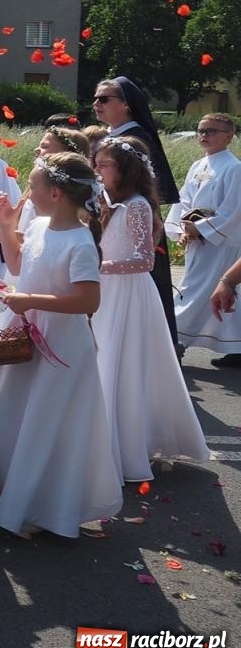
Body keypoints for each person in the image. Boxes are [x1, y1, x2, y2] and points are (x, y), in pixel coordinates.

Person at [0, 153, 122, 538]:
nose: (27, 193)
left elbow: (88, 302)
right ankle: (10, 483)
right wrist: (6, 226)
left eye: (33, 187)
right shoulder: (38, 227)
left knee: (48, 422)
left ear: (54, 192)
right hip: (27, 333)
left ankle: (41, 503)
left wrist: (31, 301)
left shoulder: (81, 243)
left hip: (62, 345)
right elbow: (18, 266)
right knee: (11, 410)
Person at [93, 136, 209, 478]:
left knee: (124, 361)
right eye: (96, 164)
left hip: (128, 292)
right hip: (106, 290)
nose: (97, 170)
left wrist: (97, 266)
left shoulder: (138, 206)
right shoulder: (104, 201)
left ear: (124, 169)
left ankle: (130, 440)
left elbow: (143, 259)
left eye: (103, 165)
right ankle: (101, 438)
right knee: (103, 359)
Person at [93, 77, 179, 350]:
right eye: (95, 98)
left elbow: (149, 187)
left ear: (126, 105)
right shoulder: (109, 137)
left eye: (104, 99)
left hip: (132, 226)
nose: (97, 103)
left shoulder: (136, 139)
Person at [167, 114, 241, 367]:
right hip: (198, 238)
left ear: (229, 136)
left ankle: (175, 339)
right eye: (201, 130)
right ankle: (237, 345)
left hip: (222, 243)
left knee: (196, 290)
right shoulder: (198, 164)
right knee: (214, 292)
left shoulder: (234, 167)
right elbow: (184, 201)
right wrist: (182, 229)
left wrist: (200, 229)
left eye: (212, 131)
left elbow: (233, 210)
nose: (204, 135)